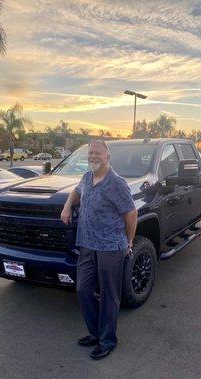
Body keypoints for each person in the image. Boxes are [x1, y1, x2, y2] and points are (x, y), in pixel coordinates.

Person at [61, 140, 137, 360]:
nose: (93, 156)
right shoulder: (86, 178)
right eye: (90, 153)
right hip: (87, 245)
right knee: (83, 290)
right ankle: (95, 333)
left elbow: (131, 215)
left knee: (109, 296)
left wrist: (129, 243)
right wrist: (67, 206)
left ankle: (107, 340)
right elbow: (75, 192)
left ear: (107, 157)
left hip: (110, 248)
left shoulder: (116, 183)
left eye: (98, 153)